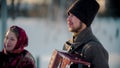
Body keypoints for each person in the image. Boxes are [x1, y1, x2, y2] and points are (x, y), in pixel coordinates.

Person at [63, 0, 109, 68]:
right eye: (69, 15)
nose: (68, 19)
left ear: (83, 19)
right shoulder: (67, 45)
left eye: (73, 15)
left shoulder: (94, 49)